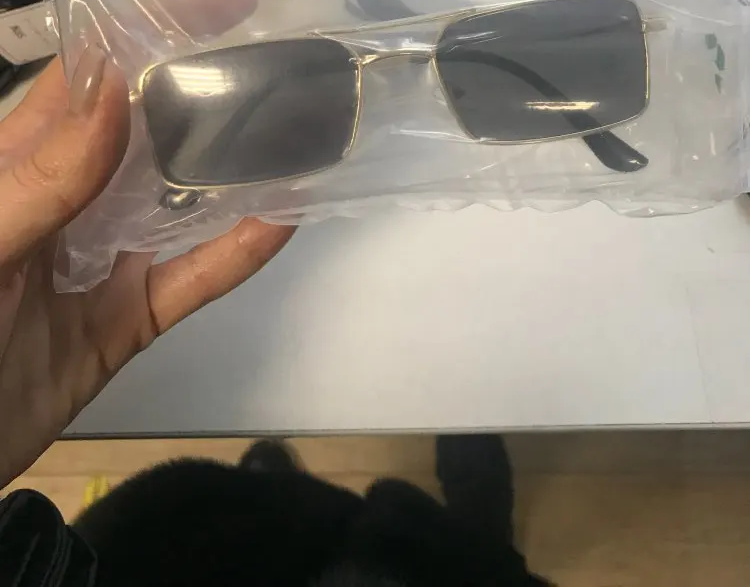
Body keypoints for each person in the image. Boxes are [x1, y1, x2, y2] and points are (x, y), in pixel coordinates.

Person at [0, 51, 551, 586]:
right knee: (456, 552)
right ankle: (481, 531)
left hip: (145, 546)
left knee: (248, 503)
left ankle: (272, 484)